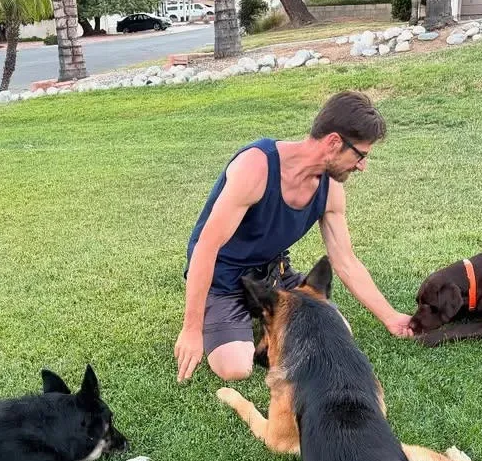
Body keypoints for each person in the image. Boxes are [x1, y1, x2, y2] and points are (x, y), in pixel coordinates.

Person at [174, 90, 413, 383]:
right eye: (360, 155)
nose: (362, 165)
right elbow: (206, 247)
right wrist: (191, 328)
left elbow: (346, 261)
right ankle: (252, 320)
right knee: (235, 367)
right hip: (224, 280)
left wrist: (391, 317)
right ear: (334, 142)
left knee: (340, 331)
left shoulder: (331, 188)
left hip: (273, 275)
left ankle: (269, 317)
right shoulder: (257, 166)